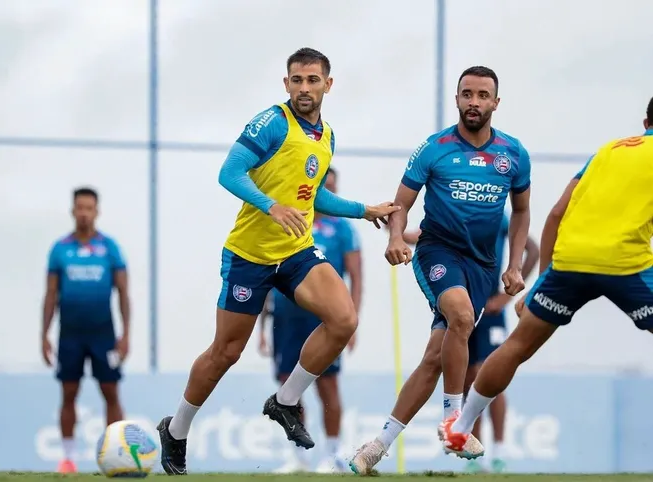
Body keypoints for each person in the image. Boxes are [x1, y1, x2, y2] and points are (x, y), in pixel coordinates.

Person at [155, 47, 399, 476]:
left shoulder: (326, 136)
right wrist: (271, 206)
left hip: (296, 249)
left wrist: (365, 210)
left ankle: (284, 402)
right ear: (286, 84)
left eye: (313, 80)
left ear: (328, 84)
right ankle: (176, 429)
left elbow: (313, 195)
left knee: (343, 320)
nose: (305, 88)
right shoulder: (271, 122)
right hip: (250, 255)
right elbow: (229, 173)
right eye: (297, 81)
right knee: (225, 352)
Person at [440, 99, 653, 459]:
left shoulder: (608, 151)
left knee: (517, 346)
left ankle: (459, 429)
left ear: (646, 120)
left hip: (569, 262)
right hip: (625, 265)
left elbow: (556, 213)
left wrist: (540, 284)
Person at [350, 65, 532, 474]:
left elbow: (521, 212)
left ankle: (376, 448)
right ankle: (455, 423)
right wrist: (396, 238)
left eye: (483, 95)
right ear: (456, 99)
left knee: (435, 357)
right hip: (437, 252)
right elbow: (401, 204)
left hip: (483, 267)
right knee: (462, 316)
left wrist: (515, 265)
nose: (474, 102)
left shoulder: (514, 154)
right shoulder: (434, 148)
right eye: (467, 94)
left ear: (495, 103)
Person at [387, 214, 539, 473]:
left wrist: (505, 297)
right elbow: (424, 236)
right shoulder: (453, 213)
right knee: (468, 378)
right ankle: (469, 444)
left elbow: (532, 248)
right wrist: (397, 233)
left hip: (490, 308)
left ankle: (500, 450)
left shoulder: (496, 216)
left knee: (490, 375)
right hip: (460, 306)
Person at [258, 166, 363, 474]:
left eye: (332, 188)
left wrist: (352, 321)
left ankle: (333, 453)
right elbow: (267, 275)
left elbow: (356, 277)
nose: (328, 195)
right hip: (286, 318)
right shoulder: (289, 221)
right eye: (323, 188)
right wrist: (261, 328)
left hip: (325, 323)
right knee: (288, 386)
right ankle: (298, 455)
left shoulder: (344, 230)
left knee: (328, 385)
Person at [41, 187, 131, 474]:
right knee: (68, 393)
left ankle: (117, 454)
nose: (84, 213)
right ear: (72, 211)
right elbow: (51, 294)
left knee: (111, 392)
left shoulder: (110, 248)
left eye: (89, 208)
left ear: (96, 211)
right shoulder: (60, 249)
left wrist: (126, 334)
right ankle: (67, 459)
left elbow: (123, 293)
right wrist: (43, 335)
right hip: (70, 333)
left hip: (103, 333)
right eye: (79, 208)